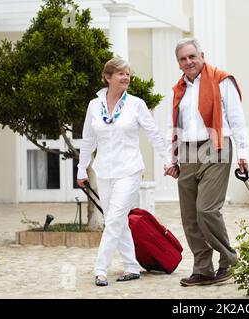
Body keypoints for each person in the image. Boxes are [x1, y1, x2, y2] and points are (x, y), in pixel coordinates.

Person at [77, 57, 172, 287]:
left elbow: (153, 134)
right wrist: (82, 170)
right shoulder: (94, 105)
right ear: (108, 77)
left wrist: (168, 159)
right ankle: (131, 266)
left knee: (115, 218)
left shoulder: (136, 104)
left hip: (129, 169)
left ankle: (100, 268)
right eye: (121, 73)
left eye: (128, 73)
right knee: (115, 220)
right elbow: (88, 140)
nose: (126, 77)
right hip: (104, 170)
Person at [164, 38, 248, 287]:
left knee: (206, 209)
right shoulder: (179, 88)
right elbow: (174, 124)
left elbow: (237, 118)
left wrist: (242, 155)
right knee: (190, 215)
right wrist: (172, 158)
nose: (188, 62)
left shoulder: (222, 80)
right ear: (178, 63)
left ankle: (229, 261)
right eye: (183, 58)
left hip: (216, 146)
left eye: (192, 56)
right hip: (188, 151)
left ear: (202, 55)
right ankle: (203, 269)